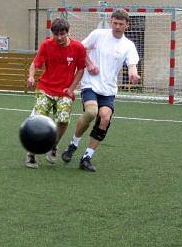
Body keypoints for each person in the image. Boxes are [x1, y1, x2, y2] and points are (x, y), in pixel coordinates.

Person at [61, 9, 140, 172]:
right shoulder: (99, 34)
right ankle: (73, 145)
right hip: (90, 84)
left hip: (109, 89)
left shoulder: (128, 45)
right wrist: (89, 64)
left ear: (127, 25)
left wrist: (134, 75)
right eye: (115, 23)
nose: (117, 26)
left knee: (104, 118)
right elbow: (80, 50)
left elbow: (132, 65)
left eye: (121, 24)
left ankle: (87, 157)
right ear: (111, 21)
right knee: (91, 113)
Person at [25, 17, 86, 169]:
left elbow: (81, 70)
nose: (59, 38)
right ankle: (31, 154)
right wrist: (31, 76)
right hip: (45, 88)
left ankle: (53, 146)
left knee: (63, 120)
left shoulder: (78, 47)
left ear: (67, 32)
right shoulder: (46, 44)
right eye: (56, 34)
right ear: (52, 34)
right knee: (38, 121)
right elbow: (35, 64)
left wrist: (71, 89)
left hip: (65, 91)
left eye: (62, 34)